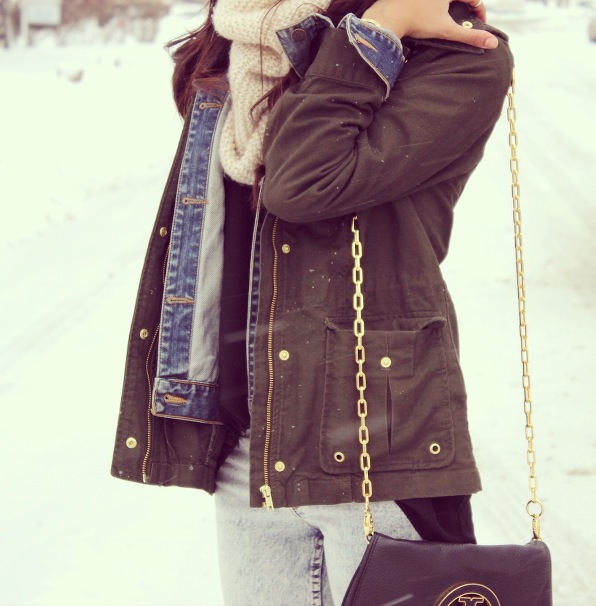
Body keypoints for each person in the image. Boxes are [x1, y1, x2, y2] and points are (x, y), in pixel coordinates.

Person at [111, 0, 513, 603]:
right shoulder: (239, 45)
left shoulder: (455, 54)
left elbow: (304, 181)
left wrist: (378, 31)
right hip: (251, 454)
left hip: (379, 449)